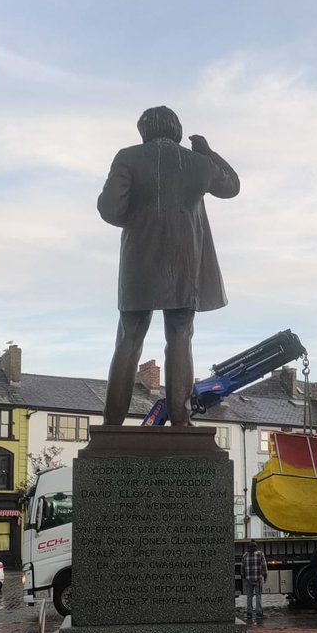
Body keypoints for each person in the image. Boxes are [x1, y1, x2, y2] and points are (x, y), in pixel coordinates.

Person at [97, 106, 240, 427]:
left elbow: (109, 209)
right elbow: (231, 187)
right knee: (180, 335)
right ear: (176, 129)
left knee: (129, 337)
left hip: (139, 257)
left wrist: (136, 219)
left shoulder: (128, 157)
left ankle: (112, 424)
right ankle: (180, 421)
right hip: (185, 260)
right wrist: (209, 152)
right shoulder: (198, 163)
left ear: (144, 130)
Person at [241, 540, 268, 620]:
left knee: (249, 596)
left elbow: (242, 567)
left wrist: (243, 577)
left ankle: (249, 612)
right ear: (256, 547)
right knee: (258, 595)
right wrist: (265, 576)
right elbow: (264, 566)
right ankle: (259, 612)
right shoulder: (260, 554)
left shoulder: (245, 555)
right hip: (258, 579)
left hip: (248, 579)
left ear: (248, 547)